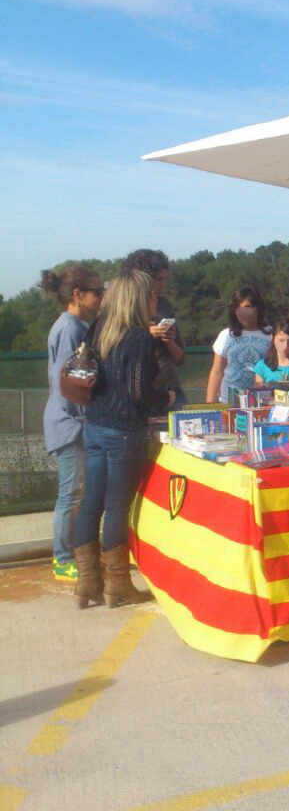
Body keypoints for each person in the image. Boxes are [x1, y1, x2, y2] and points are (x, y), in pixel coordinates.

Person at [70, 270, 170, 610]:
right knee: (117, 508)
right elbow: (139, 393)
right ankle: (118, 584)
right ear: (140, 299)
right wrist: (166, 399)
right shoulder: (140, 338)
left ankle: (87, 582)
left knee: (90, 503)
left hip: (95, 424)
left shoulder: (98, 328)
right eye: (152, 295)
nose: (156, 300)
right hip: (124, 430)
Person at [41, 266, 104, 580]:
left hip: (70, 421)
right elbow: (67, 378)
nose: (101, 297)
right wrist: (80, 418)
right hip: (69, 424)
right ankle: (62, 559)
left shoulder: (74, 326)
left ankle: (72, 553)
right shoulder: (70, 328)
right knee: (71, 493)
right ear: (77, 294)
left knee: (77, 492)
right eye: (96, 292)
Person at [120, 249, 186, 410]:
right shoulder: (119, 310)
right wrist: (146, 334)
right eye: (157, 279)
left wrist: (170, 342)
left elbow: (181, 359)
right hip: (137, 394)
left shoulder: (164, 304)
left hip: (170, 389)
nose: (162, 284)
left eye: (164, 279)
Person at [206, 287, 272, 404]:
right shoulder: (226, 335)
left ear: (258, 308)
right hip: (229, 401)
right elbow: (217, 371)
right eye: (238, 308)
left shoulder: (271, 335)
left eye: (247, 307)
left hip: (262, 401)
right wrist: (210, 403)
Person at [253, 319, 289, 385]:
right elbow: (258, 392)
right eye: (281, 340)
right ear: (273, 338)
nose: (286, 345)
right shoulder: (262, 366)